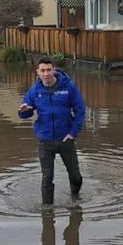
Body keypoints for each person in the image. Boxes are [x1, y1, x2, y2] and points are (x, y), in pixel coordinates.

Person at [18, 57, 85, 205]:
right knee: (47, 177)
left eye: (49, 70)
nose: (46, 73)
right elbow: (25, 112)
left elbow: (80, 110)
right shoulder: (34, 91)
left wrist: (73, 132)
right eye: (43, 70)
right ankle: (47, 213)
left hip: (66, 139)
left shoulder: (68, 87)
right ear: (38, 72)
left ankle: (76, 199)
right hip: (45, 140)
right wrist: (23, 111)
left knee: (75, 176)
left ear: (54, 70)